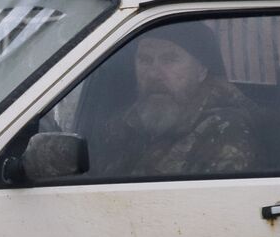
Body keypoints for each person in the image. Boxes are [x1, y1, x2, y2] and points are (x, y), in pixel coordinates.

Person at [92, 20, 259, 179]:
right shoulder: (120, 124)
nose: (153, 74)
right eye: (145, 60)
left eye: (170, 60)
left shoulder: (224, 131)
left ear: (201, 70)